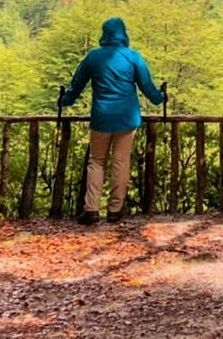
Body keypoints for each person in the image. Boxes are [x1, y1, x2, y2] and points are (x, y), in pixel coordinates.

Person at [60, 16, 167, 225]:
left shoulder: (93, 58)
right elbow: (148, 89)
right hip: (127, 119)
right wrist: (161, 97)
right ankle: (115, 210)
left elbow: (76, 86)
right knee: (121, 162)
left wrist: (64, 100)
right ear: (123, 34)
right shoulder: (133, 58)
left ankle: (91, 209)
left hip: (101, 117)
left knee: (97, 161)